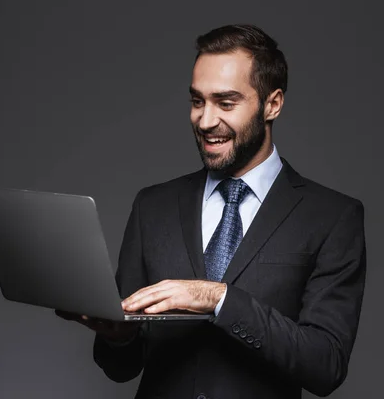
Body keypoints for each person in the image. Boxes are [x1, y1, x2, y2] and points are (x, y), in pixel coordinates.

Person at [56, 24, 367, 399]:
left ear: (273, 104)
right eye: (197, 101)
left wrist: (218, 298)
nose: (205, 121)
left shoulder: (332, 217)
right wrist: (119, 338)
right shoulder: (152, 206)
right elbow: (121, 368)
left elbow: (325, 365)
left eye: (226, 102)